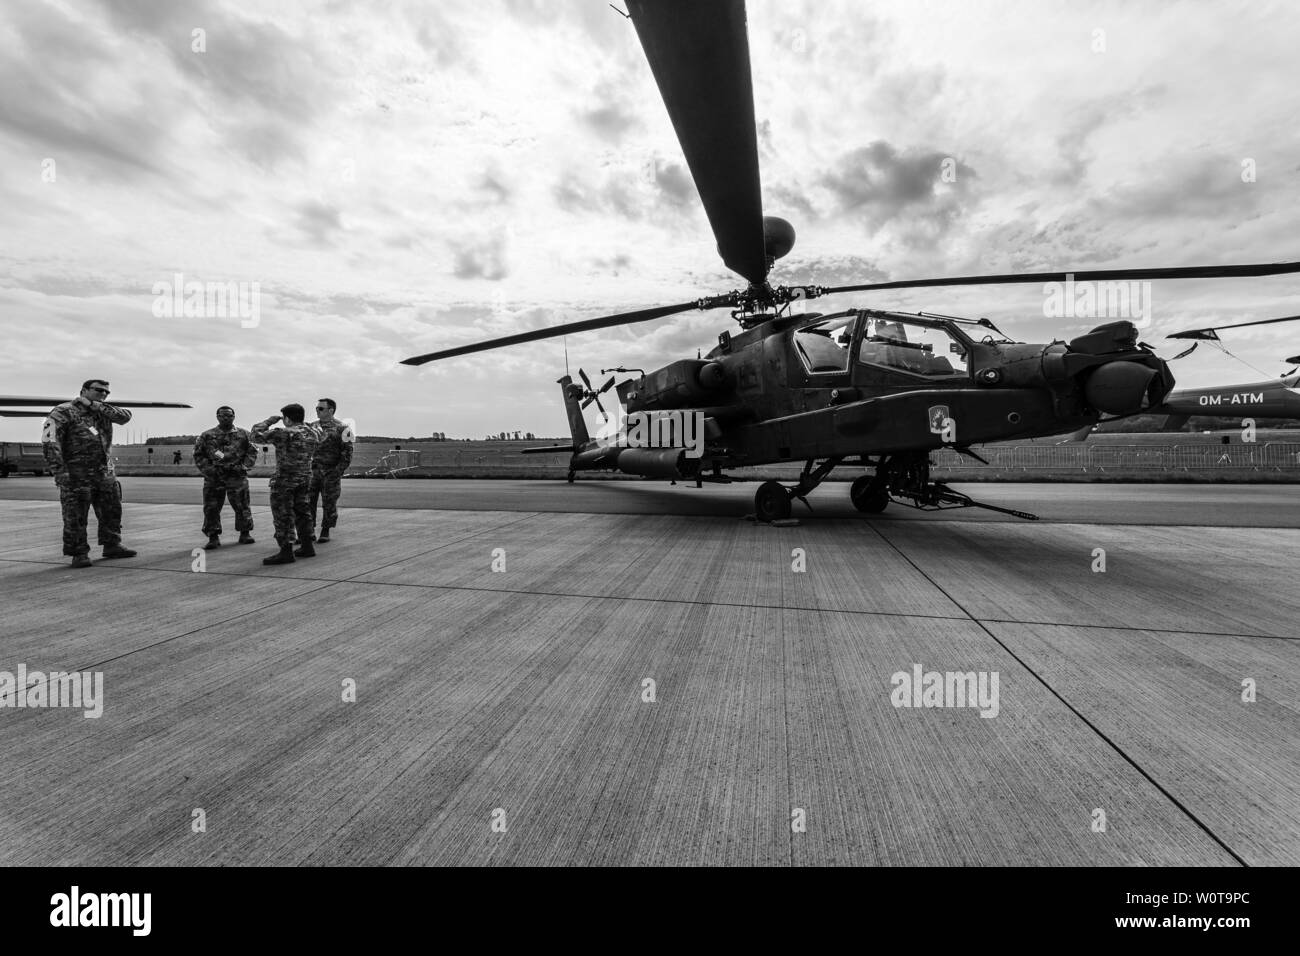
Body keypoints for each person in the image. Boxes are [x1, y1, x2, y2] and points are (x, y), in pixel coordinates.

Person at [41, 379, 137, 568]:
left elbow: (125, 417)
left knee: (111, 512)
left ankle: (112, 545)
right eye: (98, 390)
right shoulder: (62, 411)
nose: (103, 394)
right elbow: (50, 442)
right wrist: (60, 472)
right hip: (76, 475)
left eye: (106, 392)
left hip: (104, 473)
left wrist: (95, 405)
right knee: (75, 516)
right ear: (84, 390)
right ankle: (79, 553)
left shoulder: (103, 411)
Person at [250, 404, 321, 564]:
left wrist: (268, 421)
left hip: (285, 479)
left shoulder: (283, 432)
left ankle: (286, 551)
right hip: (304, 478)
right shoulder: (313, 432)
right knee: (303, 512)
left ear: (287, 418)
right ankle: (307, 546)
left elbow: (255, 436)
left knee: (283, 515)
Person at [193, 406, 258, 549]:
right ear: (217, 417)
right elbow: (199, 455)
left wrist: (244, 467)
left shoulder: (244, 434)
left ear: (234, 417)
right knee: (211, 507)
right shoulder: (207, 435)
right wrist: (209, 471)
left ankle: (245, 533)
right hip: (215, 477)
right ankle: (213, 536)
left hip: (237, 476)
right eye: (222, 416)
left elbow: (252, 452)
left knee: (242, 505)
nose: (226, 418)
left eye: (229, 415)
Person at [308, 397, 353, 543]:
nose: (317, 411)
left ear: (331, 410)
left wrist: (337, 472)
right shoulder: (311, 427)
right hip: (312, 472)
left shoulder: (343, 428)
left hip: (330, 472)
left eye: (321, 408)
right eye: (317, 408)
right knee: (307, 502)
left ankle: (325, 530)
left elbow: (347, 453)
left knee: (329, 503)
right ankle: (308, 531)